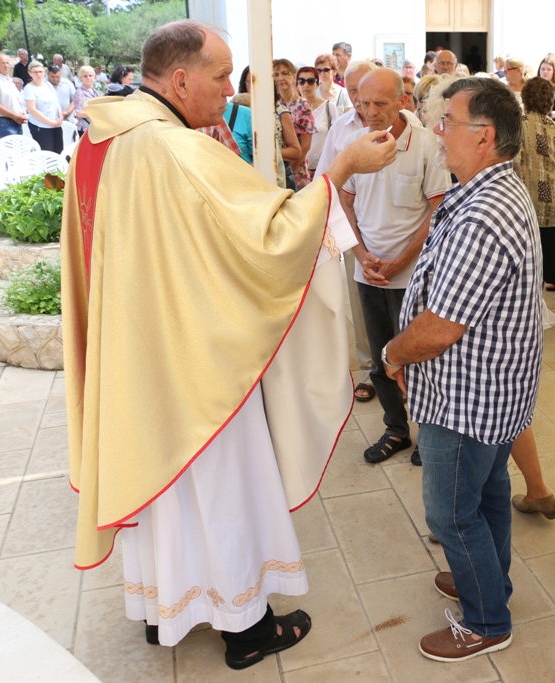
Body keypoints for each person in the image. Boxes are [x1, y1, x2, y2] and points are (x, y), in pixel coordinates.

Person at [63, 19, 396, 667]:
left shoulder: (101, 139)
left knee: (164, 498)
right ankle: (246, 628)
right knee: (221, 485)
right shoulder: (174, 151)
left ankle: (166, 610)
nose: (230, 93)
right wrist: (343, 168)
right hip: (195, 363)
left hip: (133, 356)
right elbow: (270, 235)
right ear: (181, 79)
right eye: (221, 79)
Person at [381, 76, 541, 661]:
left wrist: (393, 353)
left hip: (468, 394)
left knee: (450, 514)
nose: (436, 131)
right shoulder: (486, 188)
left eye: (446, 120)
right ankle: (489, 582)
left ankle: (486, 620)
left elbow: (442, 327)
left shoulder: (484, 212)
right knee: (489, 492)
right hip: (490, 388)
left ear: (485, 136)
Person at [338, 68, 448, 466]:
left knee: (417, 357)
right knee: (381, 357)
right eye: (363, 103)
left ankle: (428, 433)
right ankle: (396, 429)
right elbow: (345, 203)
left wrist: (400, 261)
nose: (369, 112)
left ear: (403, 101)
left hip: (412, 277)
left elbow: (438, 211)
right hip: (367, 272)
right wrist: (361, 254)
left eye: (380, 103)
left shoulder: (425, 146)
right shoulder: (355, 142)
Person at [317, 60, 379, 404]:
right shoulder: (341, 128)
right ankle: (371, 370)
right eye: (352, 90)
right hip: (354, 232)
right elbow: (324, 179)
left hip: (399, 236)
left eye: (364, 91)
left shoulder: (407, 128)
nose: (357, 98)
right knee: (362, 305)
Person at [518, 76, 555, 288]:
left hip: (528, 207)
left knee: (529, 274)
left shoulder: (517, 126)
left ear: (524, 99)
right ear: (550, 102)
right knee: (547, 272)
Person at [274, 59, 316, 189]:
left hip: (296, 172)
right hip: (275, 171)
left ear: (293, 77)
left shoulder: (303, 105)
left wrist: (288, 172)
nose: (280, 78)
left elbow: (305, 146)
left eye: (285, 73)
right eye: (275, 74)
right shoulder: (271, 104)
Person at [296, 66, 336, 181]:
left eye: (310, 81)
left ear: (317, 84)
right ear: (297, 85)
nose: (306, 85)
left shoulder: (329, 107)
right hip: (300, 171)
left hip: (324, 170)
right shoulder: (291, 109)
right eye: (301, 81)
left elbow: (337, 139)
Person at [23, 61, 64, 153]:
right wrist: (50, 123)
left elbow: (56, 103)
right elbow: (32, 110)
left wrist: (60, 117)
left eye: (40, 72)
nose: (38, 74)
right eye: (35, 72)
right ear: (30, 73)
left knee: (59, 151)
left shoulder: (48, 85)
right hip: (41, 126)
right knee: (47, 152)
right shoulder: (29, 88)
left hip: (56, 124)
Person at [0, 53, 27, 138]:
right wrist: (14, 116)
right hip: (5, 122)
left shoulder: (10, 81)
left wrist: (21, 113)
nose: (6, 65)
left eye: (7, 63)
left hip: (16, 121)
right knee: (10, 149)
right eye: (3, 63)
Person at [73, 66, 99, 135]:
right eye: (85, 76)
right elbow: (78, 113)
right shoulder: (79, 92)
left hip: (95, 126)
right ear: (81, 78)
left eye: (90, 75)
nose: (88, 78)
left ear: (94, 77)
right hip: (84, 128)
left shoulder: (95, 92)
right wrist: (94, 115)